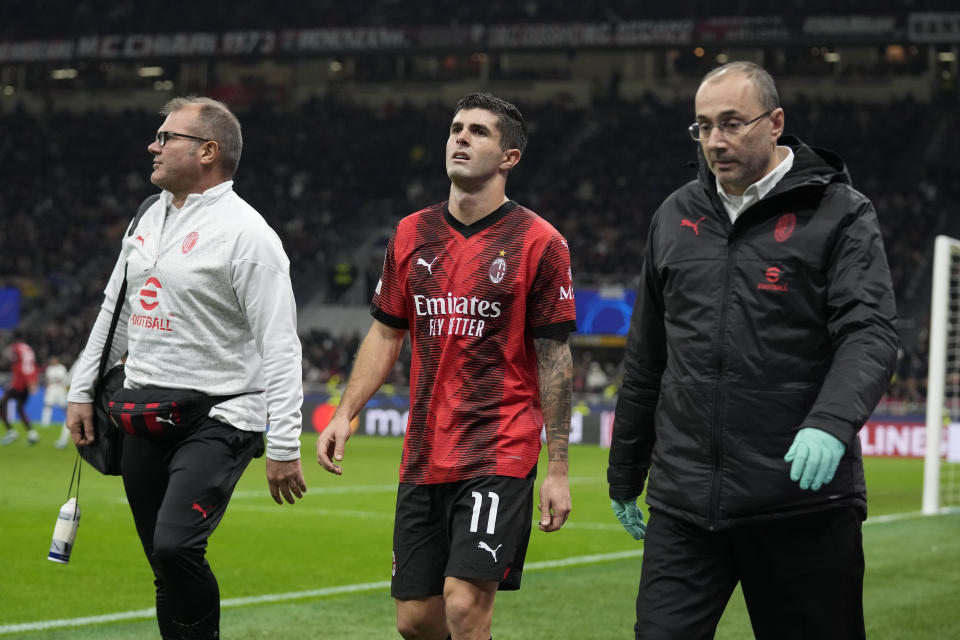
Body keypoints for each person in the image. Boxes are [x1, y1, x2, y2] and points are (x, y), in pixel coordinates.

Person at [607, 61, 899, 639]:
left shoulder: (840, 212)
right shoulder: (674, 215)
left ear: (775, 123)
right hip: (685, 506)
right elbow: (646, 356)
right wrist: (624, 473)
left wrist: (831, 422)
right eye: (704, 126)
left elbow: (870, 332)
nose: (716, 140)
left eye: (733, 123)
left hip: (800, 505)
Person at [317, 92, 576, 640]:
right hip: (424, 453)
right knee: (416, 622)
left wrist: (556, 470)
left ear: (509, 158)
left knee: (464, 606)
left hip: (499, 447)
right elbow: (387, 332)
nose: (460, 137)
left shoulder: (540, 242)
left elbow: (555, 358)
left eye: (479, 131)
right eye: (456, 128)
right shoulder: (411, 234)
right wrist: (344, 413)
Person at [65, 96, 307, 640]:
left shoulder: (249, 236)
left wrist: (286, 444)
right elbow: (117, 309)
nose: (152, 146)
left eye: (165, 137)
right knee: (161, 562)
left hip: (220, 415)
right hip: (144, 409)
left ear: (207, 152)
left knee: (176, 545)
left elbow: (281, 345)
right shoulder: (148, 217)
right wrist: (82, 391)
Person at [0, 337, 40, 445]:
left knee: (2, 404)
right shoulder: (27, 349)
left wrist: (30, 381)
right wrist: (32, 381)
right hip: (25, 383)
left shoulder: (16, 348)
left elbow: (25, 366)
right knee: (20, 408)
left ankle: (11, 432)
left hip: (19, 384)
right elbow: (30, 365)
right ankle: (32, 433)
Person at [42, 355, 70, 448]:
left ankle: (68, 420)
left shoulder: (61, 368)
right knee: (48, 405)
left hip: (60, 390)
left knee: (64, 408)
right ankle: (45, 422)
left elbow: (63, 379)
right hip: (51, 388)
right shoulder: (49, 368)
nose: (52, 361)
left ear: (57, 360)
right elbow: (48, 379)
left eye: (54, 359)